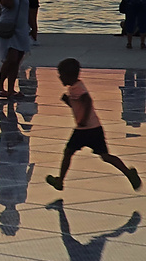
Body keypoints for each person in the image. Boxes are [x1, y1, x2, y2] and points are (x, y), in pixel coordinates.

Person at [45, 58, 141, 192]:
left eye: (61, 75)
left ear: (68, 76)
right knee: (105, 156)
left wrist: (83, 120)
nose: (60, 78)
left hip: (84, 129)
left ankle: (60, 181)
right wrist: (68, 102)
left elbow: (87, 102)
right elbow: (79, 106)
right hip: (95, 128)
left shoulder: (76, 89)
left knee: (68, 152)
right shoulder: (76, 87)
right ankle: (128, 173)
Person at [0, 0, 32, 99]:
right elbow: (9, 4)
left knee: (18, 60)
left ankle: (11, 89)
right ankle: (0, 85)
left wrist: (31, 26)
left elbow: (27, 9)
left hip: (22, 29)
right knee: (11, 59)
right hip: (8, 28)